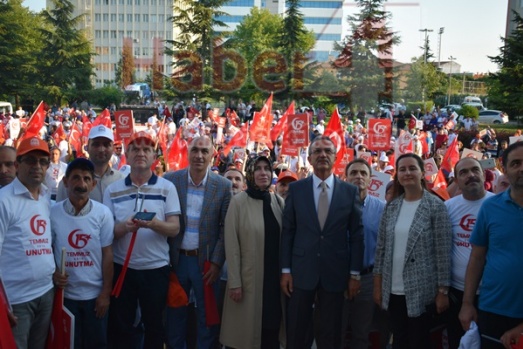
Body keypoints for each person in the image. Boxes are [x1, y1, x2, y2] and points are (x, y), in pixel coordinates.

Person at [280, 136, 364, 349]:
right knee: (297, 331)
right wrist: (286, 270)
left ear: (336, 157)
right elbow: (288, 232)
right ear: (309, 158)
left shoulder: (349, 191)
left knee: (331, 332)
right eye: (317, 151)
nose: (323, 155)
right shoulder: (297, 190)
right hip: (301, 271)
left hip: (335, 273)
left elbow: (356, 235)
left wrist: (354, 274)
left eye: (327, 151)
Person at [103, 131, 181, 349]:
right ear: (126, 154)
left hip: (155, 269)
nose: (140, 153)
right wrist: (124, 228)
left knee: (154, 326)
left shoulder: (167, 188)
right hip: (122, 269)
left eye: (146, 149)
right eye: (135, 148)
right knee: (122, 326)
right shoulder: (113, 190)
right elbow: (107, 233)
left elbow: (174, 229)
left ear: (154, 156)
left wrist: (154, 224)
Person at [373, 153, 452, 349]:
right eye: (402, 169)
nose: (407, 173)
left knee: (419, 341)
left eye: (412, 168)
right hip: (393, 289)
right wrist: (377, 285)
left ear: (422, 172)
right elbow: (381, 249)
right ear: (397, 174)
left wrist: (443, 290)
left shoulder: (435, 206)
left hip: (422, 290)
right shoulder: (392, 207)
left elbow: (443, 251)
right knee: (399, 339)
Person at [164, 136, 232, 349]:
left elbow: (225, 228)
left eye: (204, 151)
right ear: (187, 152)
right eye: (195, 150)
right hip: (177, 260)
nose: (199, 156)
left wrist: (217, 262)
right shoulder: (171, 180)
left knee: (207, 317)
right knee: (175, 314)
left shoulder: (223, 186)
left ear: (213, 154)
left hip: (205, 264)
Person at [459, 142, 523, 349]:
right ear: (504, 169)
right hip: (492, 308)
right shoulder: (490, 207)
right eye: (516, 163)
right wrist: (467, 304)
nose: (522, 168)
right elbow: (477, 257)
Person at [220, 155, 285, 349]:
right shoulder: (239, 202)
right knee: (245, 337)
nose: (263, 173)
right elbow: (231, 245)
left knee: (270, 332)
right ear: (250, 172)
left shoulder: (277, 201)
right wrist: (235, 282)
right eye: (258, 168)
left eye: (267, 168)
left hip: (273, 282)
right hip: (248, 281)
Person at [51, 158, 114, 348]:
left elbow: (108, 255)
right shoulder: (52, 213)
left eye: (87, 179)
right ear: (65, 181)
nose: (82, 184)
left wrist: (105, 293)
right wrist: (54, 272)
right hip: (65, 297)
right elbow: (46, 251)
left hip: (95, 297)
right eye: (76, 178)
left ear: (93, 184)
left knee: (97, 344)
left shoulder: (103, 214)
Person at [0, 137, 54, 349]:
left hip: (46, 293)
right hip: (16, 301)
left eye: (43, 162)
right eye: (30, 160)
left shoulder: (46, 198)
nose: (37, 167)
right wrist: (2, 304)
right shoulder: (3, 201)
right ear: (17, 165)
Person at [444, 157, 494, 349]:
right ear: (456, 180)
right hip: (456, 292)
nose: (470, 175)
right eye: (463, 173)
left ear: (483, 174)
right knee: (458, 342)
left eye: (475, 170)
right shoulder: (449, 207)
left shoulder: (498, 205)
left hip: (491, 293)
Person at [343, 159, 388, 349]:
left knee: (362, 334)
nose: (358, 176)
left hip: (369, 278)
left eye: (363, 173)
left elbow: (386, 246)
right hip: (340, 278)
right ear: (346, 178)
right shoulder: (335, 207)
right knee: (335, 330)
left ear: (371, 179)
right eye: (354, 173)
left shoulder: (382, 208)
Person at [57, 125, 124, 202]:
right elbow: (60, 211)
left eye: (106, 145)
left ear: (112, 148)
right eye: (96, 144)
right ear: (87, 147)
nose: (101, 149)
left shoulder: (121, 179)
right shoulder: (69, 181)